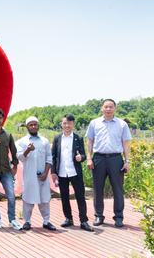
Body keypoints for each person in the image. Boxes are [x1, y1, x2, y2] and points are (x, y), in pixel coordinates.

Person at [86, 99, 133, 227]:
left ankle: (118, 217)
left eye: (111, 107)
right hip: (98, 158)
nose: (108, 109)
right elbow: (90, 142)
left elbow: (125, 144)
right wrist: (89, 158)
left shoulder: (122, 124)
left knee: (118, 189)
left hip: (116, 159)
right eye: (106, 107)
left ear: (115, 109)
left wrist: (127, 161)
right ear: (102, 108)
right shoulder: (94, 123)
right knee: (98, 189)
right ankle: (99, 216)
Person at [51, 115, 94, 232]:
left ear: (73, 124)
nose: (67, 125)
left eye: (69, 123)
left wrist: (81, 158)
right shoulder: (57, 138)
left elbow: (84, 155)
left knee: (80, 197)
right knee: (64, 197)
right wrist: (53, 172)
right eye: (65, 123)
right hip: (62, 172)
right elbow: (53, 156)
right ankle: (68, 218)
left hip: (75, 172)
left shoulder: (78, 138)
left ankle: (83, 221)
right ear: (61, 124)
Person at [16, 117, 55, 231]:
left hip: (43, 176)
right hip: (29, 176)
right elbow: (19, 157)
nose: (33, 127)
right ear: (27, 126)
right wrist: (28, 150)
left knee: (45, 199)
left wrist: (46, 173)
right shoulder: (21, 141)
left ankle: (46, 221)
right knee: (28, 198)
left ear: (38, 125)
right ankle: (27, 221)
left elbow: (49, 158)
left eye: (35, 124)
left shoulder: (44, 141)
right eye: (31, 125)